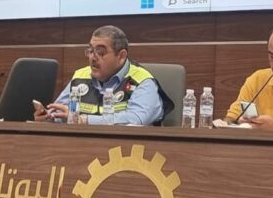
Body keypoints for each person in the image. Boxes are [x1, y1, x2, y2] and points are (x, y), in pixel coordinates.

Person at [33, 25, 172, 125]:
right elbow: (61, 113)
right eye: (90, 51)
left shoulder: (142, 80)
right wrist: (49, 117)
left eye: (100, 52)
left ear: (121, 56)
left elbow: (136, 119)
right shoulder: (81, 76)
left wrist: (84, 120)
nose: (92, 58)